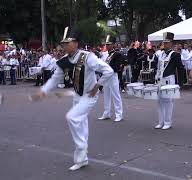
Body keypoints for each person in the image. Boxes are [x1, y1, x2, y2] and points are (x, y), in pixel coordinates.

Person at [31, 36, 114, 171]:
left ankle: (82, 147)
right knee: (81, 123)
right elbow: (55, 79)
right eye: (63, 44)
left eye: (67, 43)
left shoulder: (87, 57)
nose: (64, 46)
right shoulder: (63, 61)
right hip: (77, 95)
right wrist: (43, 91)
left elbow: (108, 71)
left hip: (89, 95)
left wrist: (98, 85)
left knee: (72, 117)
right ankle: (82, 159)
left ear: (75, 44)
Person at [154, 32, 185, 130]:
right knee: (159, 101)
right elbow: (158, 68)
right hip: (160, 79)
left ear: (171, 43)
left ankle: (168, 122)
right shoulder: (160, 54)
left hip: (169, 79)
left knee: (168, 101)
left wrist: (180, 82)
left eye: (167, 42)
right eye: (164, 42)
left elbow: (180, 68)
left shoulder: (175, 55)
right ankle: (161, 121)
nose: (165, 44)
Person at [98, 36, 124, 122]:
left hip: (113, 76)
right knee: (106, 95)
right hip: (106, 76)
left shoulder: (117, 54)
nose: (107, 46)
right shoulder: (106, 54)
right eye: (106, 44)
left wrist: (107, 69)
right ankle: (106, 113)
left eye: (109, 44)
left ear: (113, 44)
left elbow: (117, 67)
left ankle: (119, 114)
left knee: (116, 95)